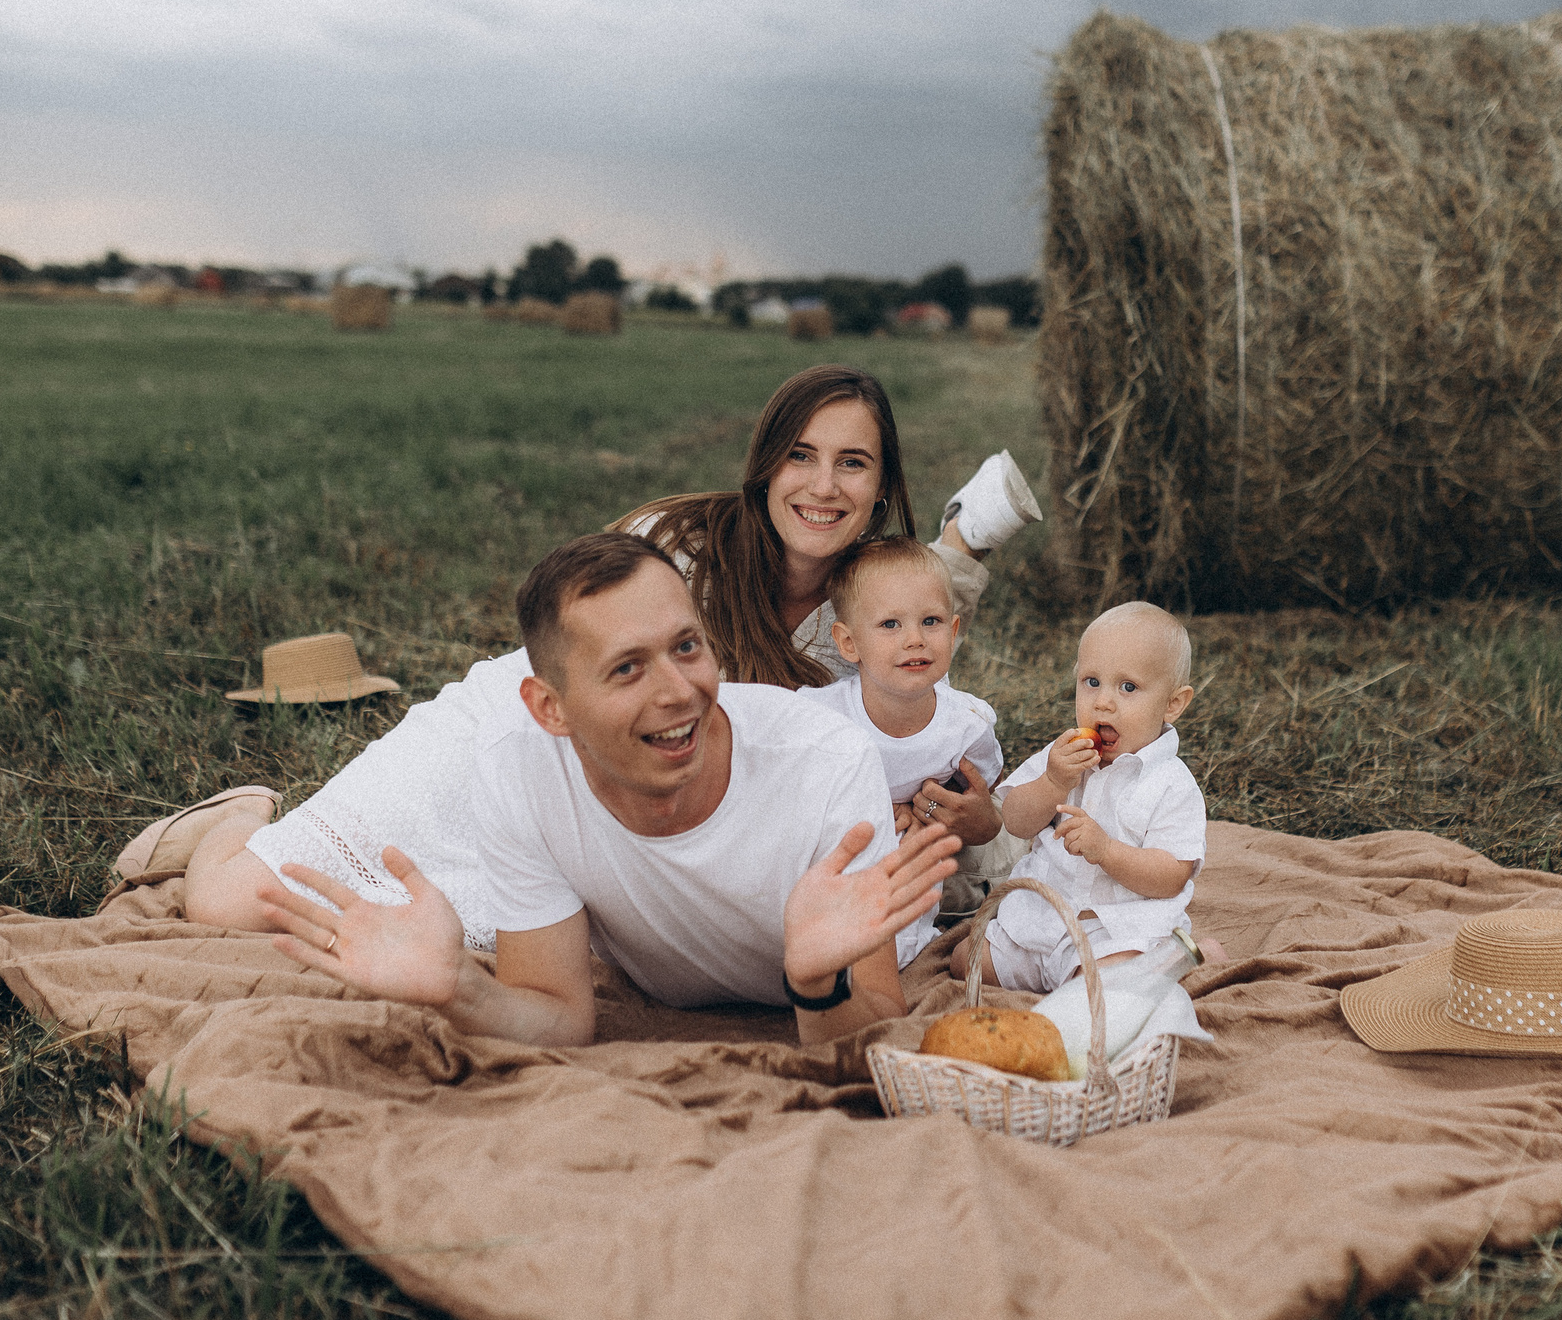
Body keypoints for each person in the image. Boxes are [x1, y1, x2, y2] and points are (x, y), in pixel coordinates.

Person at [122, 364, 1038, 952]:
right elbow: (576, 651)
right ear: (766, 467)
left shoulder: (878, 622)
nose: (824, 485)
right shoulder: (672, 541)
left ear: (882, 490)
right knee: (238, 905)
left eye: (853, 464)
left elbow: (906, 776)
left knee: (465, 935)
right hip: (539, 730)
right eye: (802, 456)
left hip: (660, 808)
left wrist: (960, 816)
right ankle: (241, 818)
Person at [255, 534, 960, 1043]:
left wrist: (818, 983)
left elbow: (874, 1028)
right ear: (549, 709)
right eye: (629, 669)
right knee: (231, 892)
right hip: (494, 734)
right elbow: (559, 1014)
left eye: (687, 646)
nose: (680, 692)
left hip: (801, 980)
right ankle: (238, 812)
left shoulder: (825, 764)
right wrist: (460, 988)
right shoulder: (520, 767)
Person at [953, 601, 1207, 995]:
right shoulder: (1063, 757)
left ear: (1173, 704)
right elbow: (1016, 820)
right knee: (964, 962)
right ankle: (1060, 977)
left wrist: (1107, 850)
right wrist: (1052, 781)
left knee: (1099, 989)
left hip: (1113, 933)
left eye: (1128, 687)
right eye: (1091, 682)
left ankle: (1185, 958)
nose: (1103, 702)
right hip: (1039, 923)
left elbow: (1172, 876)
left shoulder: (1171, 784)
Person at [801, 537, 1004, 849]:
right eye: (890, 623)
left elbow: (982, 793)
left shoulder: (968, 726)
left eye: (930, 621)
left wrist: (920, 810)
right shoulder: (820, 716)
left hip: (919, 871)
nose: (914, 639)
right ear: (849, 643)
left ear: (952, 633)